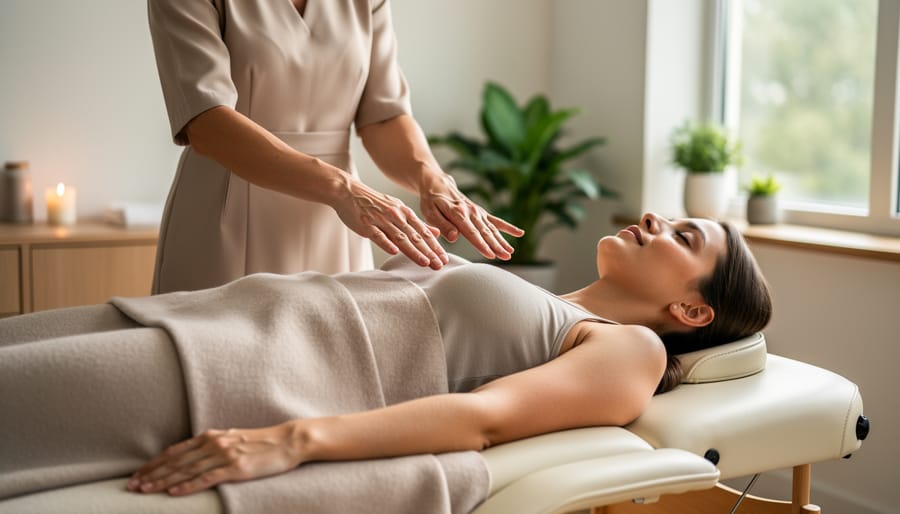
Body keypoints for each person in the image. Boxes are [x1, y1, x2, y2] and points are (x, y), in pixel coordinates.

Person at [0, 213, 772, 501]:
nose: (653, 219)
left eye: (684, 237)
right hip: (218, 316)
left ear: (692, 312)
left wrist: (290, 439)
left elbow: (483, 420)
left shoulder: (630, 349)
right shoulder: (561, 304)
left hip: (248, 370)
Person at [147, 0, 523, 294]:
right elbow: (206, 121)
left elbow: (383, 115)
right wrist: (342, 188)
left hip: (343, 221)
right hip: (227, 214)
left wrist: (431, 178)